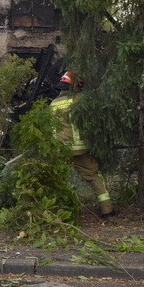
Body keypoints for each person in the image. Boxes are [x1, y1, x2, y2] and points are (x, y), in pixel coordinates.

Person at [50, 71, 116, 219]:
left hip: (59, 149)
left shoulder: (53, 104)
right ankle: (108, 210)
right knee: (93, 176)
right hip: (80, 149)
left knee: (57, 180)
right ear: (77, 85)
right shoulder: (80, 99)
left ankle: (58, 213)